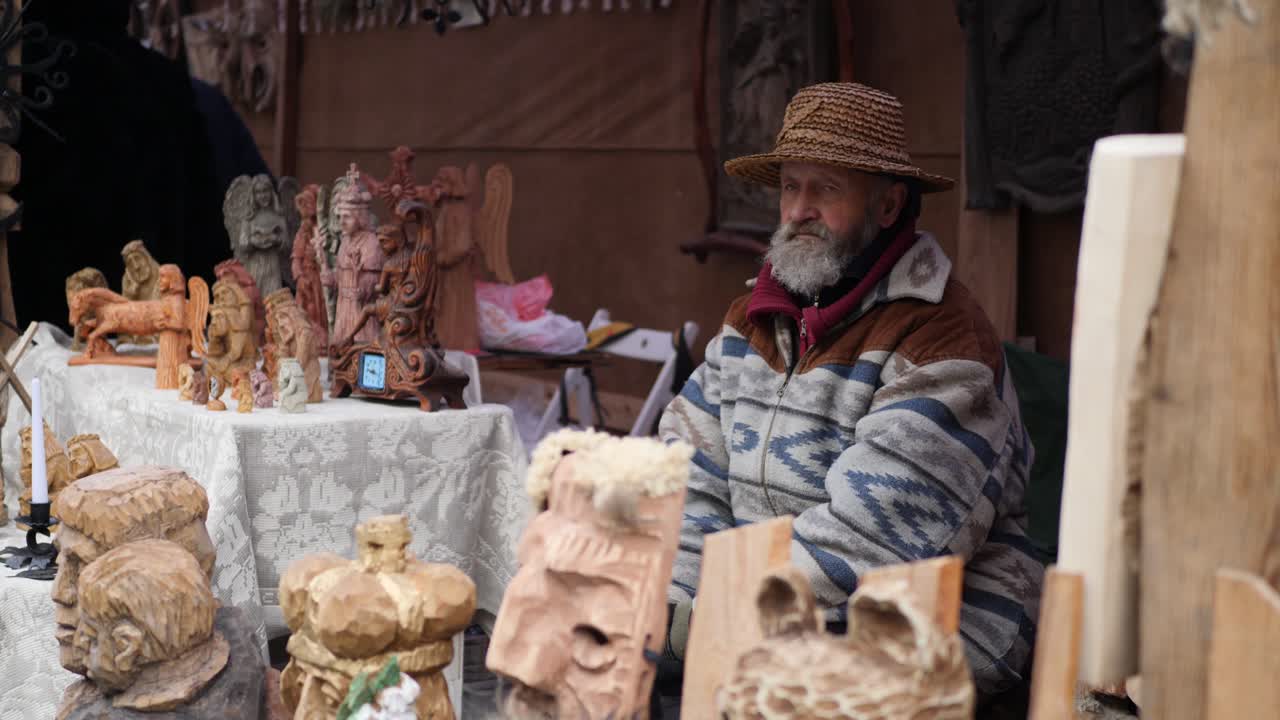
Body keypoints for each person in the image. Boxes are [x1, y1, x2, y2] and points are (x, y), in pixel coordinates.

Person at [658, 83, 1042, 702]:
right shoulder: (754, 316)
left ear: (888, 207)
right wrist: (681, 604)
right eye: (790, 186)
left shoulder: (944, 339)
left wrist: (708, 623)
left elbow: (872, 541)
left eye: (826, 189)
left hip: (920, 637)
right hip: (747, 620)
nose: (799, 209)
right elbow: (687, 474)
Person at [13, 0, 227, 332]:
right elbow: (206, 233)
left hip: (46, 331)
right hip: (145, 337)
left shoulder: (19, 76)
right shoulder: (162, 84)